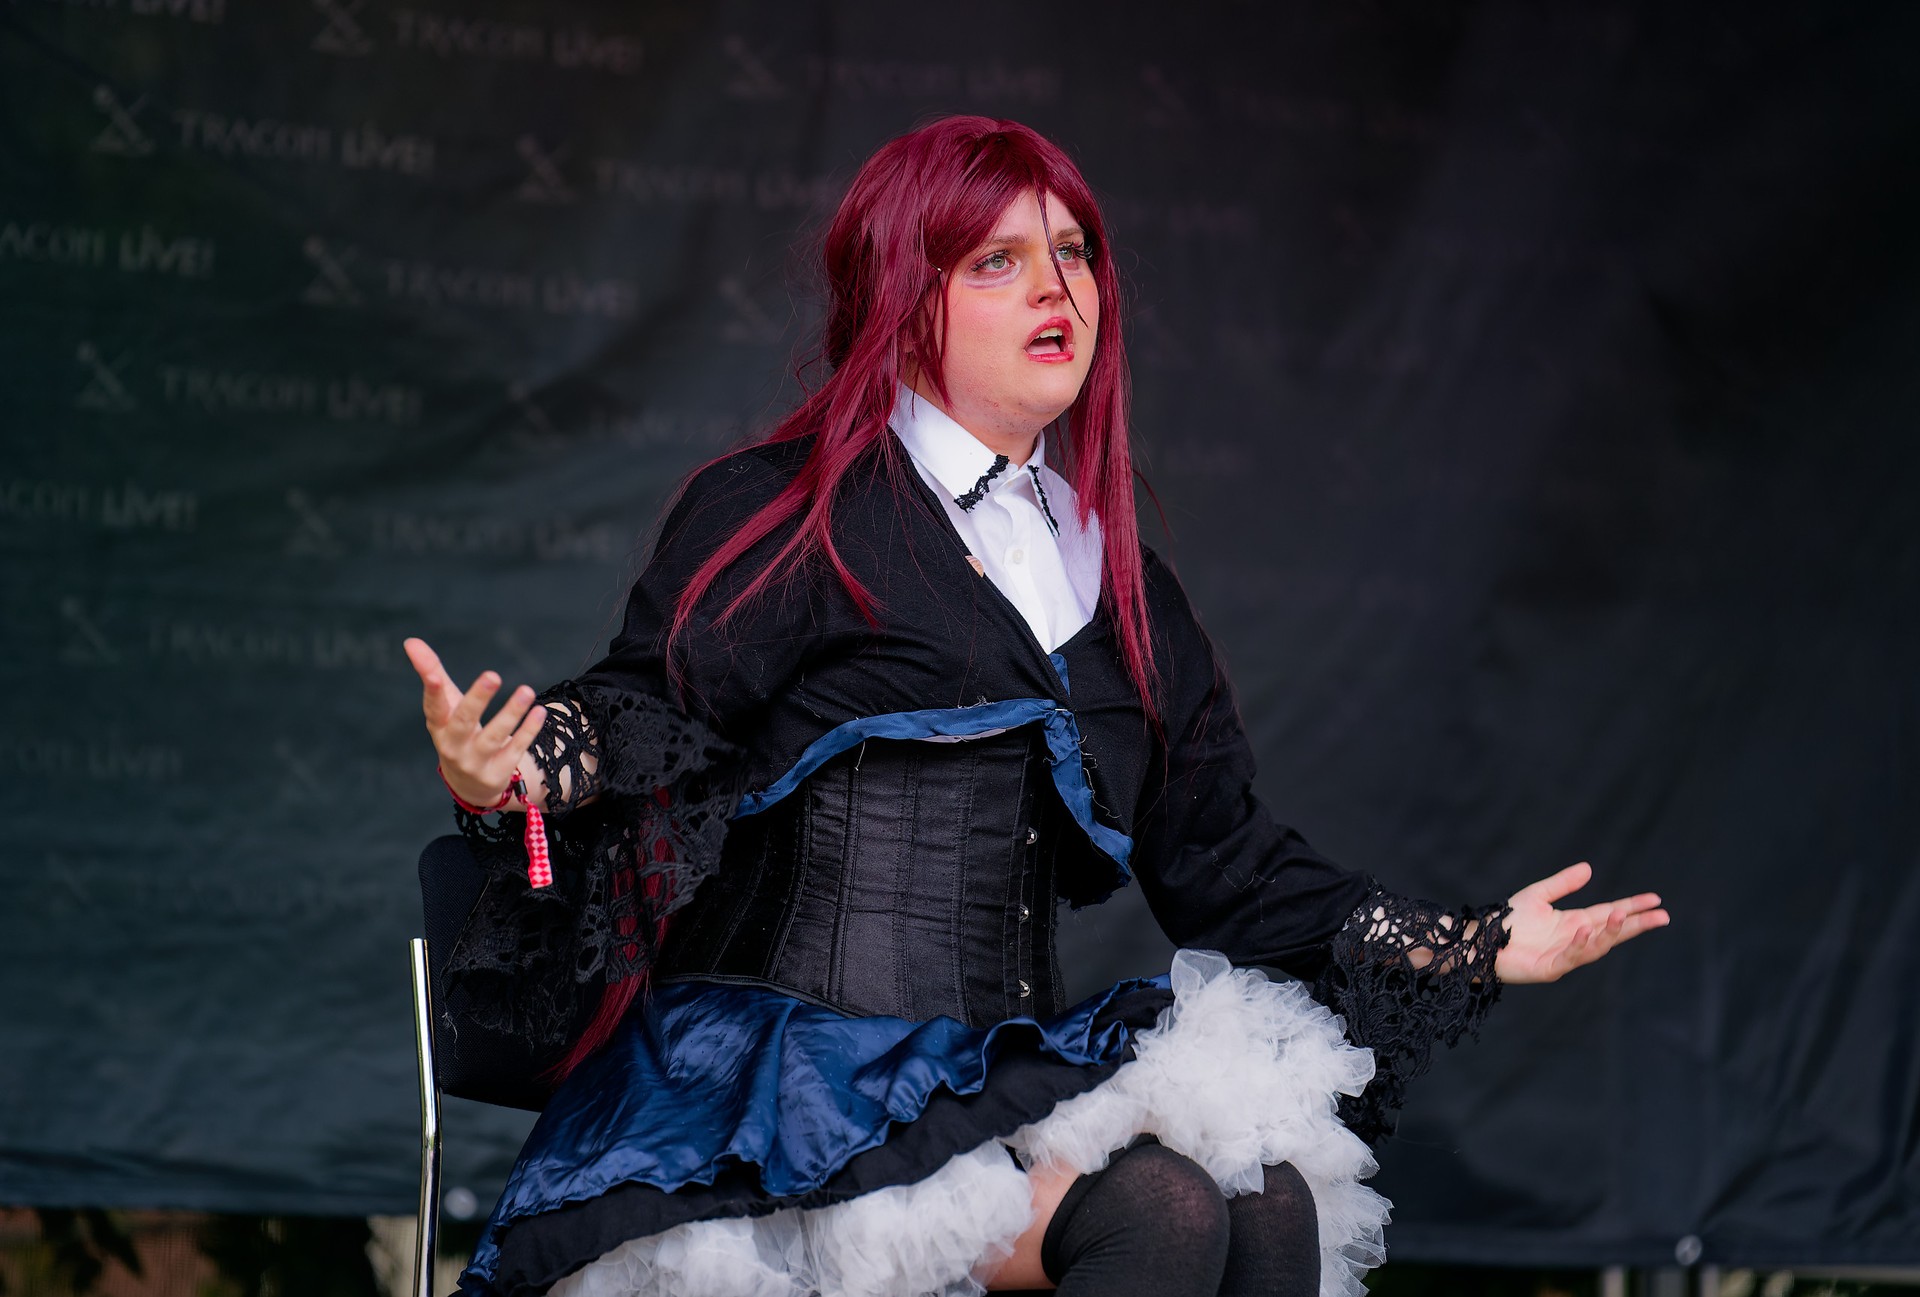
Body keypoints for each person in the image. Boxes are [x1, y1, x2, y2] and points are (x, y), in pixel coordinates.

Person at [402, 116, 1668, 1297]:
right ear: (905, 301)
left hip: (989, 1075)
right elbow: (640, 710)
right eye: (997, 261)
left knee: (1269, 1198)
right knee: (1163, 1210)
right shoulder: (793, 514)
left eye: (1073, 253)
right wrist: (509, 766)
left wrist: (1471, 945)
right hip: (782, 1092)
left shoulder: (1119, 580)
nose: (1056, 288)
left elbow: (1227, 864)